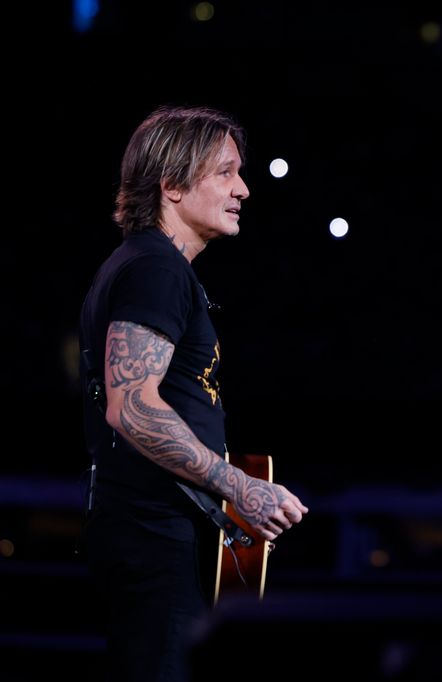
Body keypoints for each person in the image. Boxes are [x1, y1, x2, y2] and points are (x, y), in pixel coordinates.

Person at [79, 106, 308, 681]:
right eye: (226, 173)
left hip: (154, 531)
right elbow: (129, 405)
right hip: (153, 535)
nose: (244, 189)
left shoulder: (150, 267)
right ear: (174, 184)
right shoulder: (155, 269)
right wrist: (239, 488)